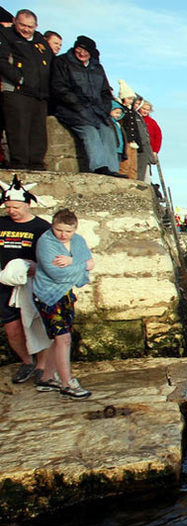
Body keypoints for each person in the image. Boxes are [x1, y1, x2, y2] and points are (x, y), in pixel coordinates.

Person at [32, 208, 94, 399]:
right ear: (53, 225)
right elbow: (57, 273)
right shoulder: (45, 242)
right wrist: (81, 265)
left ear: (75, 229)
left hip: (66, 294)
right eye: (59, 230)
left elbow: (91, 262)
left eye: (68, 231)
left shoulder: (78, 241)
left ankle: (47, 377)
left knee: (58, 338)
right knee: (63, 338)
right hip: (48, 295)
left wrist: (72, 261)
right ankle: (67, 383)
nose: (63, 235)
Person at [0, 174, 50, 383]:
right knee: (12, 327)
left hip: (32, 283)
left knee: (36, 325)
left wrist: (36, 268)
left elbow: (49, 256)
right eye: (8, 207)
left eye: (16, 207)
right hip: (4, 283)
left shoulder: (41, 227)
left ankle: (41, 365)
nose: (11, 211)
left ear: (28, 205)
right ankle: (26, 362)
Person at [50, 36, 124, 177]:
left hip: (96, 111)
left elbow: (105, 92)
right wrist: (78, 106)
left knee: (107, 132)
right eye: (80, 49)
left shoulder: (97, 67)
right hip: (71, 109)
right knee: (90, 132)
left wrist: (104, 108)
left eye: (86, 51)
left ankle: (112, 169)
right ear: (75, 48)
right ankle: (99, 167)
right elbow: (59, 88)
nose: (82, 53)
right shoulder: (62, 62)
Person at [0, 9, 54, 170]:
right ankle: (20, 163)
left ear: (36, 26)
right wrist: (19, 78)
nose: (25, 29)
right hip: (16, 91)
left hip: (40, 93)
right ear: (15, 21)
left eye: (30, 27)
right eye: (22, 25)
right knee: (18, 127)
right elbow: (1, 61)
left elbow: (50, 63)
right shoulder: (6, 35)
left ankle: (36, 163)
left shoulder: (40, 41)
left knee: (38, 130)